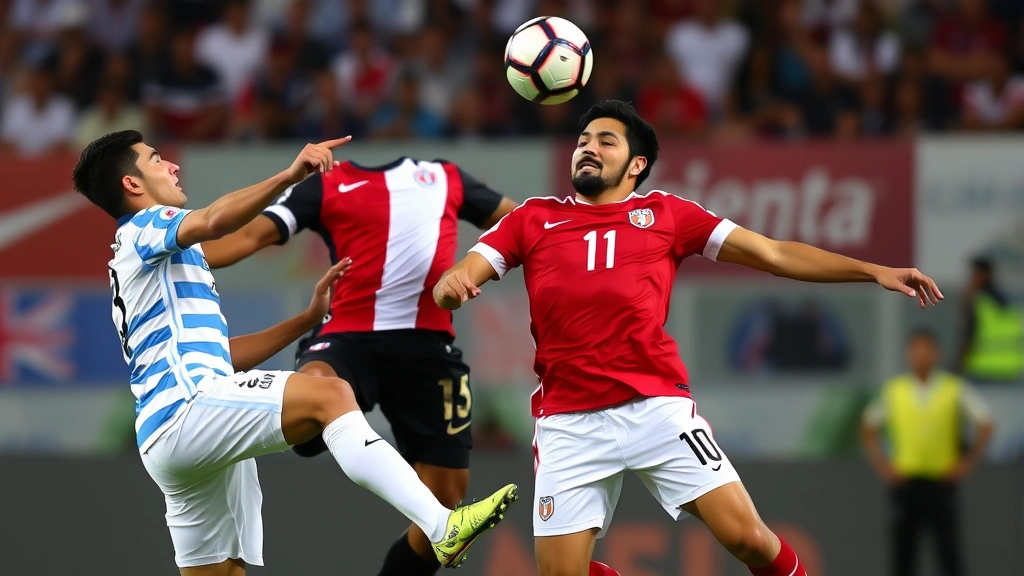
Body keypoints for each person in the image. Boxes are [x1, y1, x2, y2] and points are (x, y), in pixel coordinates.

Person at [433, 100, 943, 576]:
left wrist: (872, 270)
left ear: (636, 164)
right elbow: (458, 280)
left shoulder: (668, 215)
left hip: (656, 408)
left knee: (748, 539)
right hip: (568, 422)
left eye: (606, 141)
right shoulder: (532, 219)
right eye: (584, 139)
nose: (588, 147)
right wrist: (452, 287)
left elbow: (774, 254)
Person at [71, 130, 518, 575]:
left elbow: (223, 354)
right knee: (330, 395)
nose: (171, 165)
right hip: (190, 410)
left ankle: (440, 524)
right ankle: (442, 526)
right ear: (132, 185)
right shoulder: (146, 225)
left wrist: (306, 322)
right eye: (155, 160)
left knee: (222, 572)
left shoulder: (152, 259)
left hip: (171, 435)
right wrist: (288, 175)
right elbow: (213, 223)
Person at [199, 154, 516, 576]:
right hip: (346, 338)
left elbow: (521, 224)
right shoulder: (325, 182)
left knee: (444, 504)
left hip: (429, 348)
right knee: (317, 387)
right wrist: (172, 253)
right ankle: (306, 422)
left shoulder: (446, 176)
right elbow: (248, 237)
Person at [862, 328, 994, 576]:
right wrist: (883, 465)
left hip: (941, 482)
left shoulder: (953, 388)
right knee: (903, 556)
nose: (921, 356)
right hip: (906, 482)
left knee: (949, 554)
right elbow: (868, 426)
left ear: (936, 354)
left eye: (926, 350)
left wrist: (966, 463)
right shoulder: (895, 390)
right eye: (916, 350)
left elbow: (986, 423)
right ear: (908, 354)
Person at [956, 257, 1024, 382]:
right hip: (1011, 372)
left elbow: (969, 338)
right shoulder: (1011, 304)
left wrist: (957, 368)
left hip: (982, 372)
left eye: (974, 274)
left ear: (983, 275)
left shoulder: (977, 302)